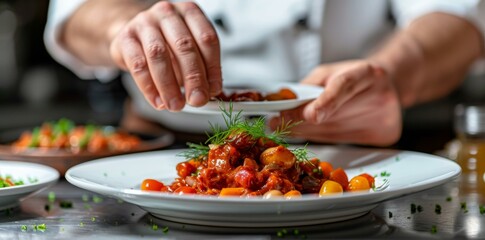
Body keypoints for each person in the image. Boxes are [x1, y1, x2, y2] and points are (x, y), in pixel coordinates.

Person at [44, 0, 485, 147]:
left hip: (350, 144)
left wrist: (391, 72)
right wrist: (126, 29)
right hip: (163, 145)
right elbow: (75, 12)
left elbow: (459, 19)